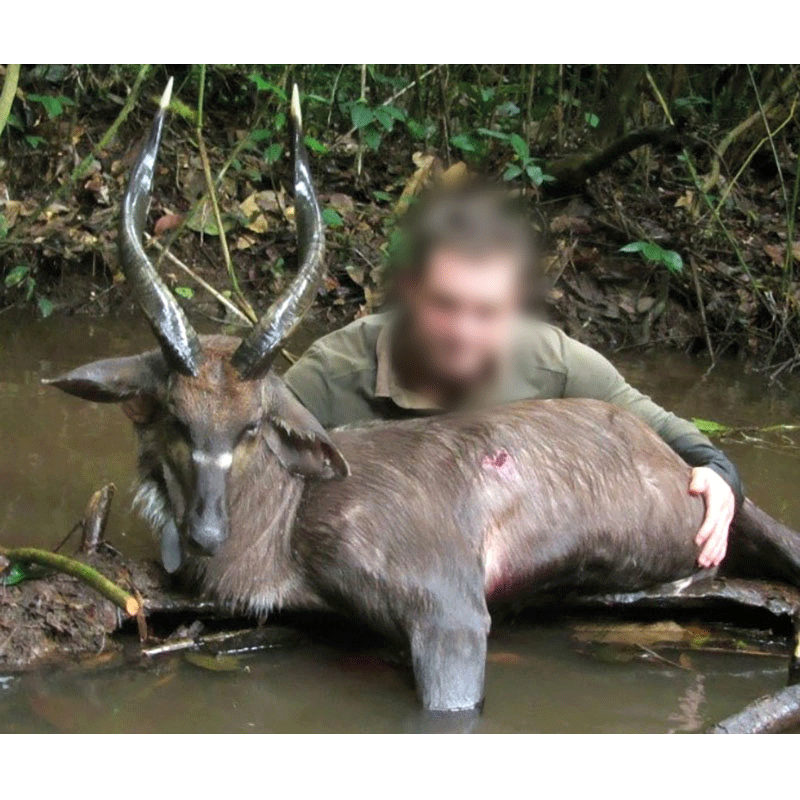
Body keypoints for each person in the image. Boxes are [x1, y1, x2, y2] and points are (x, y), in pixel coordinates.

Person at [284, 188, 742, 569]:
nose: (463, 333)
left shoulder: (553, 362)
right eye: (444, 305)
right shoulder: (332, 373)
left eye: (486, 312)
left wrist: (720, 479)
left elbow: (671, 437)